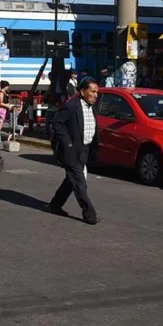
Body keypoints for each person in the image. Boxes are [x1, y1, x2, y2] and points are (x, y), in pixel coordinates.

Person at [48, 77, 100, 225]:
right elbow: (56, 122)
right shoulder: (71, 106)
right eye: (93, 92)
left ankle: (55, 204)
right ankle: (89, 213)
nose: (96, 95)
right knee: (80, 183)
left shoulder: (93, 107)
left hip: (85, 150)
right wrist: (67, 142)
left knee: (71, 181)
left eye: (97, 92)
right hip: (71, 150)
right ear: (83, 92)